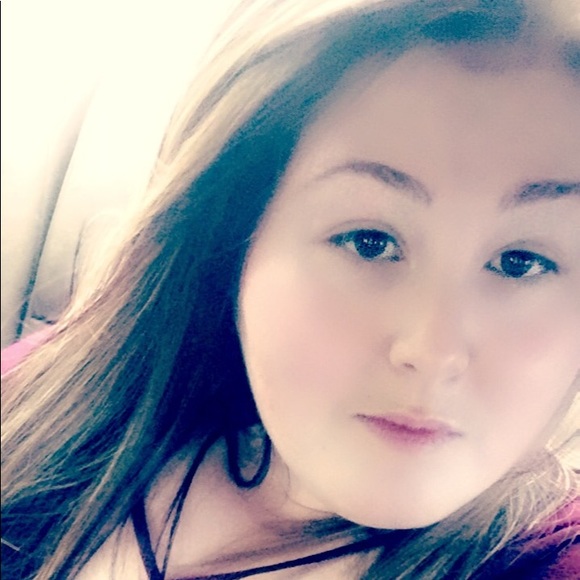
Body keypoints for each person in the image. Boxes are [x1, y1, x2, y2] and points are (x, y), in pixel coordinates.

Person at [2, 0, 579, 578]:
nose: (433, 351)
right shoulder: (44, 402)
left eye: (521, 262)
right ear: (234, 235)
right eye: (370, 242)